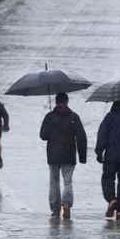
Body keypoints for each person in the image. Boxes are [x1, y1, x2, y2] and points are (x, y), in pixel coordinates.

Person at [38, 92, 87, 220]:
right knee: (68, 181)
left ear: (55, 102)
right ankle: (66, 204)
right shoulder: (74, 117)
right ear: (67, 102)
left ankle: (55, 210)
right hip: (69, 155)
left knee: (54, 182)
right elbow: (81, 137)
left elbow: (43, 136)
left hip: (53, 155)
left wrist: (51, 125)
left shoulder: (49, 117)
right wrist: (82, 157)